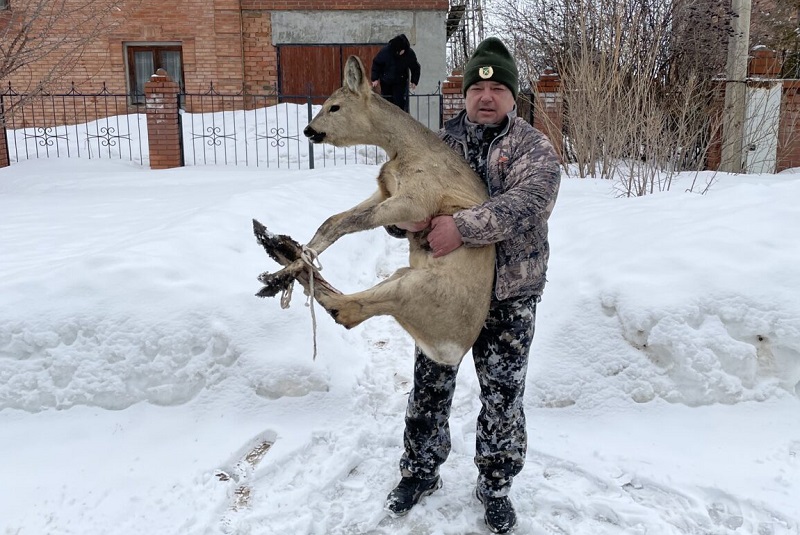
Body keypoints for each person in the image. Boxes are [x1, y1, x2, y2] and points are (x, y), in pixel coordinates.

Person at [383, 37, 561, 534]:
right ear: (463, 94)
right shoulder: (436, 145)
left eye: (498, 88)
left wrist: (462, 227)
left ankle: (496, 486)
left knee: (503, 395)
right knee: (430, 385)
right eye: (478, 88)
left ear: (512, 95)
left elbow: (530, 202)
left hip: (509, 294)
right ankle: (420, 471)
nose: (487, 96)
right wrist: (401, 221)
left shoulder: (532, 146)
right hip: (446, 291)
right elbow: (404, 194)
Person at [370, 34, 421, 112]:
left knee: (399, 104)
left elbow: (415, 67)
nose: (403, 52)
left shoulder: (408, 53)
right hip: (386, 82)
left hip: (401, 82)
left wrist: (414, 81)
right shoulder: (386, 52)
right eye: (401, 50)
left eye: (404, 50)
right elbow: (377, 64)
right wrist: (375, 78)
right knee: (387, 103)